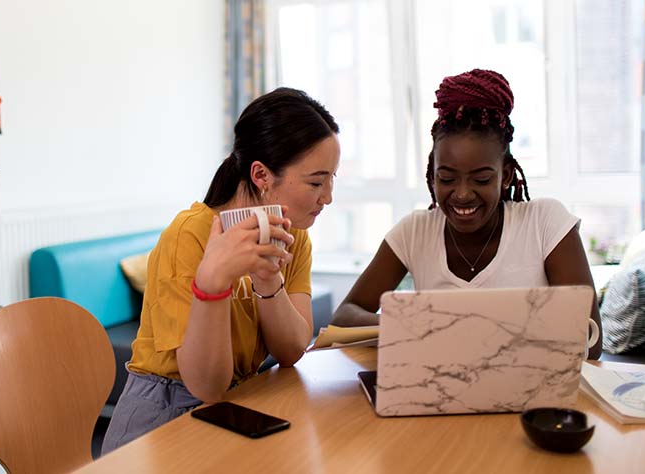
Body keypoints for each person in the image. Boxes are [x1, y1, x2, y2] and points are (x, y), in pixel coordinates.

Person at [101, 87, 340, 454]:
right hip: (164, 415)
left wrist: (268, 279)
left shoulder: (294, 235)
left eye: (331, 180)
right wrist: (211, 283)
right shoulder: (190, 234)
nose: (328, 197)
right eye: (316, 182)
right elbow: (206, 385)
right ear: (261, 174)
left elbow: (292, 349)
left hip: (237, 402)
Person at [329, 69, 602, 360]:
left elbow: (591, 341)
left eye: (481, 179)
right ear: (432, 176)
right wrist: (409, 326)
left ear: (506, 175)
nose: (462, 194)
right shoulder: (414, 232)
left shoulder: (545, 222)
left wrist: (471, 332)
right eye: (446, 179)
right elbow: (344, 316)